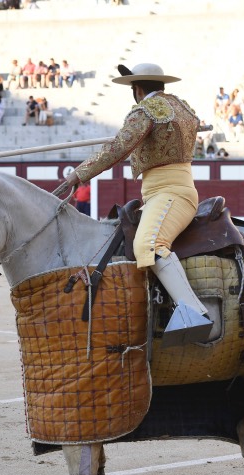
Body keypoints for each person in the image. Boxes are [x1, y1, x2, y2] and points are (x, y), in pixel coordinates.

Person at [54, 62, 212, 345]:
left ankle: (193, 312)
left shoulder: (146, 111)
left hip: (168, 193)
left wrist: (79, 174)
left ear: (137, 89)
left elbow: (117, 147)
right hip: (170, 191)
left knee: (148, 245)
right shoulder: (182, 108)